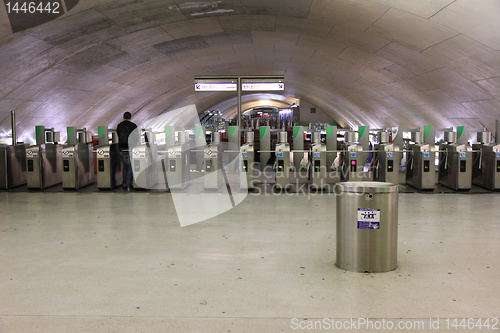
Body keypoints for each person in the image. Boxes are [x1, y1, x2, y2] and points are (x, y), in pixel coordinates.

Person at [117, 112, 138, 192]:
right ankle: (130, 183)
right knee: (130, 167)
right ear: (130, 117)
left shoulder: (119, 126)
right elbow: (136, 137)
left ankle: (124, 184)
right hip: (130, 148)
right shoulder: (133, 126)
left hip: (121, 148)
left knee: (124, 167)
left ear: (123, 117)